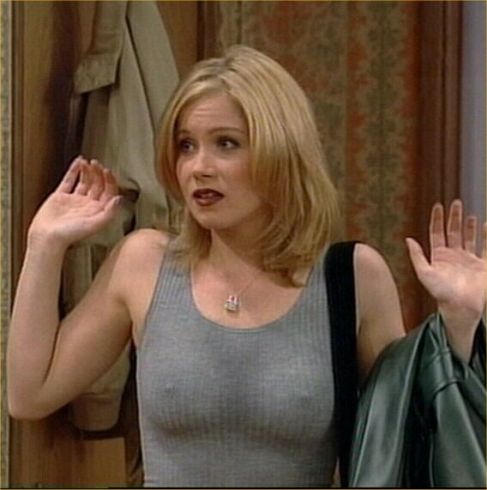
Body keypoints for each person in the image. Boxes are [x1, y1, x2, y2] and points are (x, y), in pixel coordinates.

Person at [7, 45, 486, 487]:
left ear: (281, 151)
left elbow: (408, 432)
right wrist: (44, 245)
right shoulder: (144, 263)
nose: (199, 166)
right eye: (186, 145)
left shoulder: (353, 277)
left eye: (227, 144)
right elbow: (29, 395)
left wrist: (462, 326)